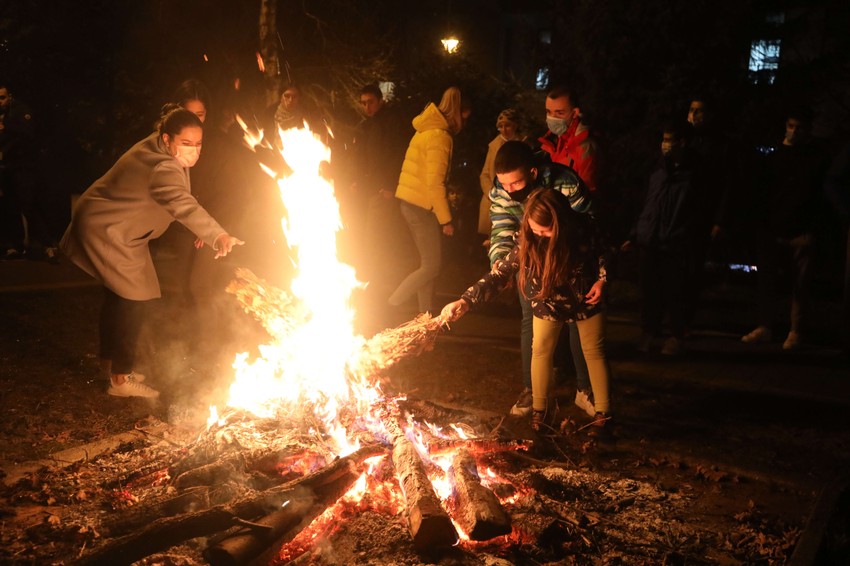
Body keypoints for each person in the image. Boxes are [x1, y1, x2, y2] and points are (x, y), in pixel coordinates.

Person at [60, 105, 245, 398]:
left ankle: (110, 365)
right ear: (168, 139)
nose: (193, 151)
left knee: (122, 297)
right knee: (135, 300)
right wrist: (217, 234)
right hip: (111, 231)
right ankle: (120, 381)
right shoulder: (164, 167)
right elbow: (182, 204)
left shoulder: (157, 145)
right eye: (186, 143)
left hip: (111, 224)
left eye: (198, 144)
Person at [442, 188, 611, 432]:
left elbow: (605, 253)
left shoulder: (585, 229)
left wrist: (602, 280)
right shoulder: (529, 242)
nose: (541, 236)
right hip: (547, 299)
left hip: (586, 297)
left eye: (546, 230)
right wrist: (466, 301)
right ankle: (539, 413)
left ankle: (603, 417)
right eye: (535, 230)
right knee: (540, 350)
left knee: (594, 351)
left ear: (561, 221)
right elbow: (500, 274)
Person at [487, 140, 595, 418]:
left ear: (533, 172)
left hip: (570, 264)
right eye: (504, 184)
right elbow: (501, 227)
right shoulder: (501, 191)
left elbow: (588, 226)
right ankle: (532, 389)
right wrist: (500, 259)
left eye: (515, 183)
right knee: (529, 318)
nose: (509, 191)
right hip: (531, 263)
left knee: (576, 320)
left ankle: (585, 389)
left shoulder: (566, 184)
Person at [741, 106, 830, 350]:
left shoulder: (815, 159)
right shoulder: (776, 158)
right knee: (768, 280)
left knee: (799, 285)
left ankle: (795, 330)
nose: (794, 131)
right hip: (773, 227)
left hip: (800, 229)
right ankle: (766, 326)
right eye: (790, 126)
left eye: (798, 127)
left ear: (808, 130)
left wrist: (812, 227)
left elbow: (818, 196)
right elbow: (762, 192)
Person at [388, 86, 470, 314]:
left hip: (410, 202)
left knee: (428, 264)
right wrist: (446, 220)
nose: (465, 120)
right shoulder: (441, 136)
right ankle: (391, 304)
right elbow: (435, 182)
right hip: (420, 206)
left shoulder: (427, 129)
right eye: (465, 115)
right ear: (459, 111)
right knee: (432, 265)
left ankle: (425, 315)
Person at [621, 121, 700, 356]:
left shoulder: (694, 174)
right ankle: (649, 331)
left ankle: (676, 335)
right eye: (664, 139)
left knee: (675, 291)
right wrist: (635, 234)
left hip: (674, 241)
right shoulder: (657, 169)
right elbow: (648, 204)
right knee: (648, 290)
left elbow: (696, 211)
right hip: (649, 239)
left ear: (682, 142)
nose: (665, 145)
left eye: (669, 140)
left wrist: (686, 235)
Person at [348, 83, 410, 293]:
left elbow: (395, 156)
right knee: (371, 235)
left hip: (383, 191)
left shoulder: (390, 122)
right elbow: (365, 158)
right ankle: (375, 281)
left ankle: (380, 284)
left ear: (380, 100)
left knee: (379, 236)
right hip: (371, 189)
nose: (367, 107)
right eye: (363, 103)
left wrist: (389, 185)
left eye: (370, 102)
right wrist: (358, 181)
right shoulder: (368, 124)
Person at [0, 82, 58, 261]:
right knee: (10, 205)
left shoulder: (20, 111)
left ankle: (47, 244)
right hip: (7, 166)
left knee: (28, 203)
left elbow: (28, 132)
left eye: (2, 97)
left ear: (9, 97)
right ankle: (16, 247)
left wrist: (6, 127)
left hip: (24, 166)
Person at [538, 85, 598, 192]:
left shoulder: (585, 147)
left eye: (559, 113)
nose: (552, 118)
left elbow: (588, 194)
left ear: (574, 113)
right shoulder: (553, 141)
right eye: (549, 112)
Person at [478, 109, 526, 241]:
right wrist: (492, 194)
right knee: (495, 240)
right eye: (500, 126)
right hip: (494, 201)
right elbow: (485, 173)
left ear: (515, 125)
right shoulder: (494, 146)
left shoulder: (523, 144)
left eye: (507, 125)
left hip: (516, 200)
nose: (504, 130)